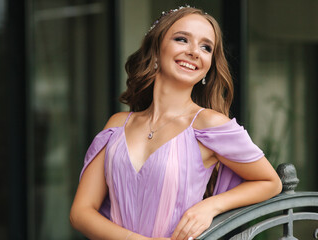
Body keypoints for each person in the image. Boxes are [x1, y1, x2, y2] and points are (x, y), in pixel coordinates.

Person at [70, 6, 282, 240]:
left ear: (208, 67)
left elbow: (270, 182)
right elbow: (81, 212)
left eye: (206, 47)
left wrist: (210, 206)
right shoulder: (117, 125)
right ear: (156, 49)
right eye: (182, 39)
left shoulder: (208, 125)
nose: (194, 52)